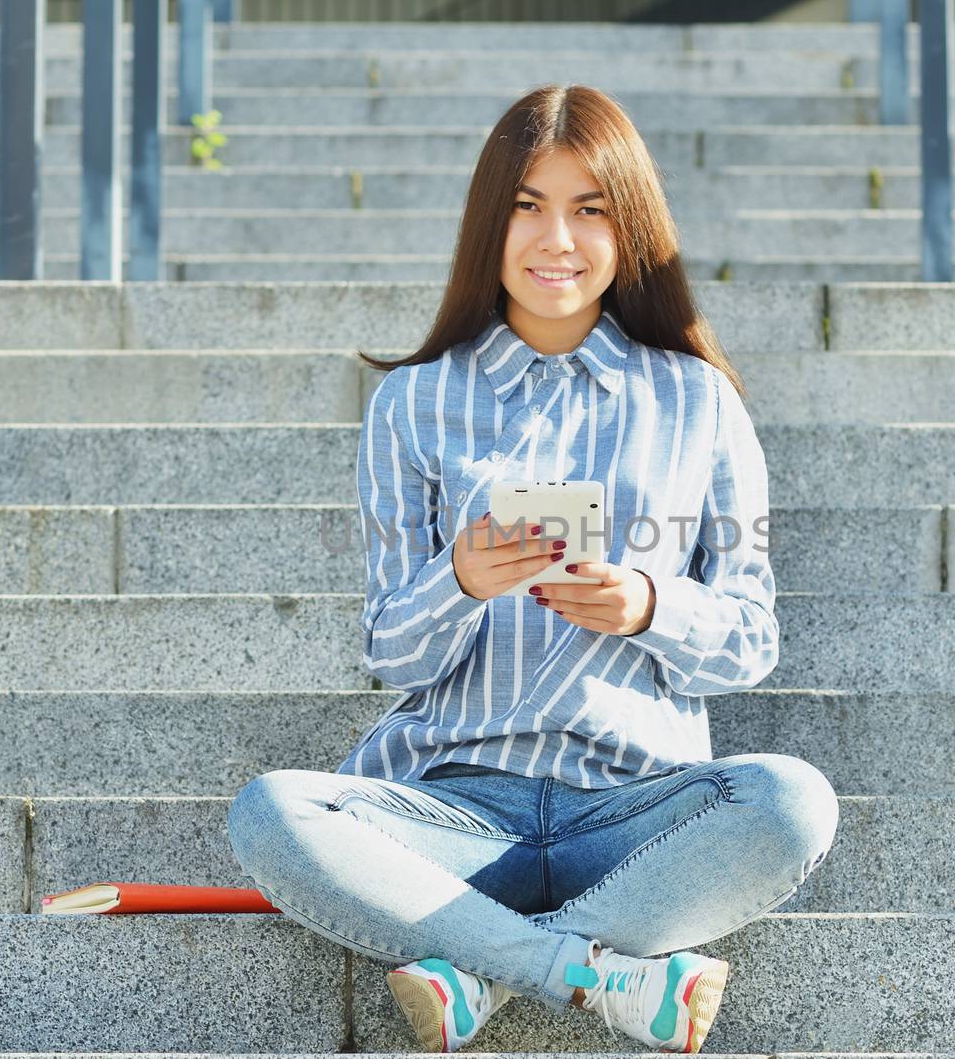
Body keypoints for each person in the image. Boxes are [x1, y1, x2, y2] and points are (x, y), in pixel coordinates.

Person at [226, 83, 839, 1054]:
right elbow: (389, 648)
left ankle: (485, 975)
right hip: (455, 810)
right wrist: (460, 578)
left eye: (589, 208)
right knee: (270, 812)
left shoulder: (699, 402)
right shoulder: (414, 406)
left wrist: (647, 605)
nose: (557, 237)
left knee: (791, 799)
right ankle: (585, 973)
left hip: (635, 813)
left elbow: (754, 635)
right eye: (528, 205)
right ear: (489, 224)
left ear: (627, 227)